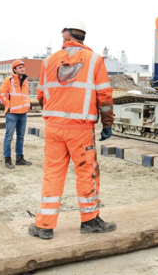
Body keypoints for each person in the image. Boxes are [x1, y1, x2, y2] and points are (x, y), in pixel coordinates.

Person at [28, 18, 117, 240]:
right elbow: (104, 96)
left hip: (54, 127)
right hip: (80, 129)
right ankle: (90, 221)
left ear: (67, 35)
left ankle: (44, 225)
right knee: (86, 172)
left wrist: (56, 111)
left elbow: (41, 95)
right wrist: (107, 122)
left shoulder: (49, 61)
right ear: (82, 36)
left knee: (52, 173)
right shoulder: (95, 60)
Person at [0, 60, 33, 169]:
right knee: (9, 137)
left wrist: (27, 105)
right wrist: (9, 105)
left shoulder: (26, 81)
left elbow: (25, 95)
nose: (22, 69)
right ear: (14, 69)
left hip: (23, 113)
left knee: (21, 137)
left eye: (23, 67)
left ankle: (19, 158)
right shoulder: (9, 80)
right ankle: (7, 159)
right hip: (12, 113)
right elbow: (1, 94)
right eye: (20, 67)